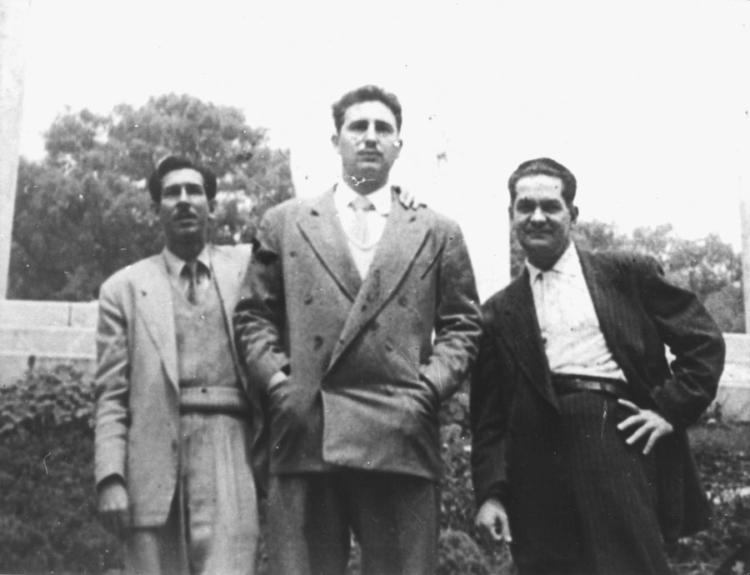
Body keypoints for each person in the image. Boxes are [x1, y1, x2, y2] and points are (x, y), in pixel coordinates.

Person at [234, 84, 482, 575]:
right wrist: (281, 385)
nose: (370, 137)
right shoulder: (285, 222)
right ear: (336, 141)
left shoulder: (437, 230)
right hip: (308, 426)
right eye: (358, 127)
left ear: (398, 146)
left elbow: (463, 324)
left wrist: (428, 389)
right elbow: (252, 316)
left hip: (400, 430)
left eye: (383, 129)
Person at [471, 157, 725, 575]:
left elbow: (702, 341)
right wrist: (491, 494)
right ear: (511, 214)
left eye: (550, 207)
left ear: (573, 214)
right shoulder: (497, 312)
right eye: (525, 207)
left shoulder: (625, 273)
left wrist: (669, 410)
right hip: (534, 459)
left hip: (612, 437)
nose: (537, 217)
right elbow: (489, 419)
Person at [94, 156, 263, 575]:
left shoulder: (246, 272)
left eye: (194, 192)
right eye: (172, 193)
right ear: (157, 209)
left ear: (211, 206)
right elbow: (111, 395)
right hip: (153, 458)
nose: (184, 200)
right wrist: (111, 477)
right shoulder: (123, 289)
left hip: (231, 448)